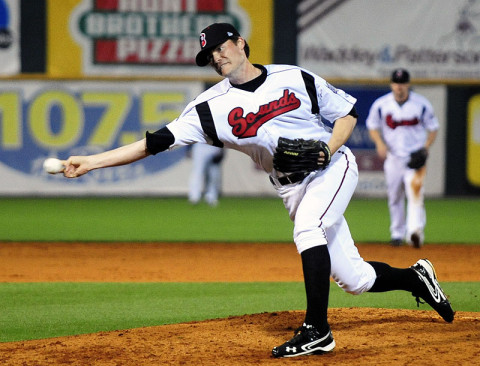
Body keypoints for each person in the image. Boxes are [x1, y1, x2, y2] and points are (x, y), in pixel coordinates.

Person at [62, 23, 453, 358]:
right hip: (291, 189)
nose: (216, 58)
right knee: (355, 279)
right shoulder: (209, 108)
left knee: (307, 231)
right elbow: (154, 142)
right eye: (209, 57)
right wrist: (93, 162)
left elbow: (347, 114)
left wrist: (326, 149)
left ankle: (318, 330)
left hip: (334, 167)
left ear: (241, 43)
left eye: (220, 48)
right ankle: (417, 278)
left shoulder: (294, 77)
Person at [366, 69, 439, 248]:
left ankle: (414, 234)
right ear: (392, 84)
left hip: (414, 158)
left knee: (415, 195)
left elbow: (433, 128)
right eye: (396, 83)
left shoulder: (421, 104)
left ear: (408, 84)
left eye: (402, 83)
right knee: (394, 196)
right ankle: (397, 234)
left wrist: (425, 148)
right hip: (393, 158)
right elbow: (372, 126)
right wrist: (379, 143)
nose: (399, 87)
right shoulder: (381, 104)